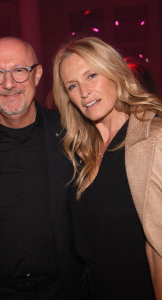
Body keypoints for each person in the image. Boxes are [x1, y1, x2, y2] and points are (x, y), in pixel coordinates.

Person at [0, 37, 82, 300]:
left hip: (64, 290)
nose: (8, 84)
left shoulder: (73, 135)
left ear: (37, 75)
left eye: (19, 71)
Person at [53, 36, 162, 299]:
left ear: (114, 72)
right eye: (72, 86)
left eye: (91, 75)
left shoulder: (151, 140)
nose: (84, 92)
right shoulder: (82, 150)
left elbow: (159, 249)